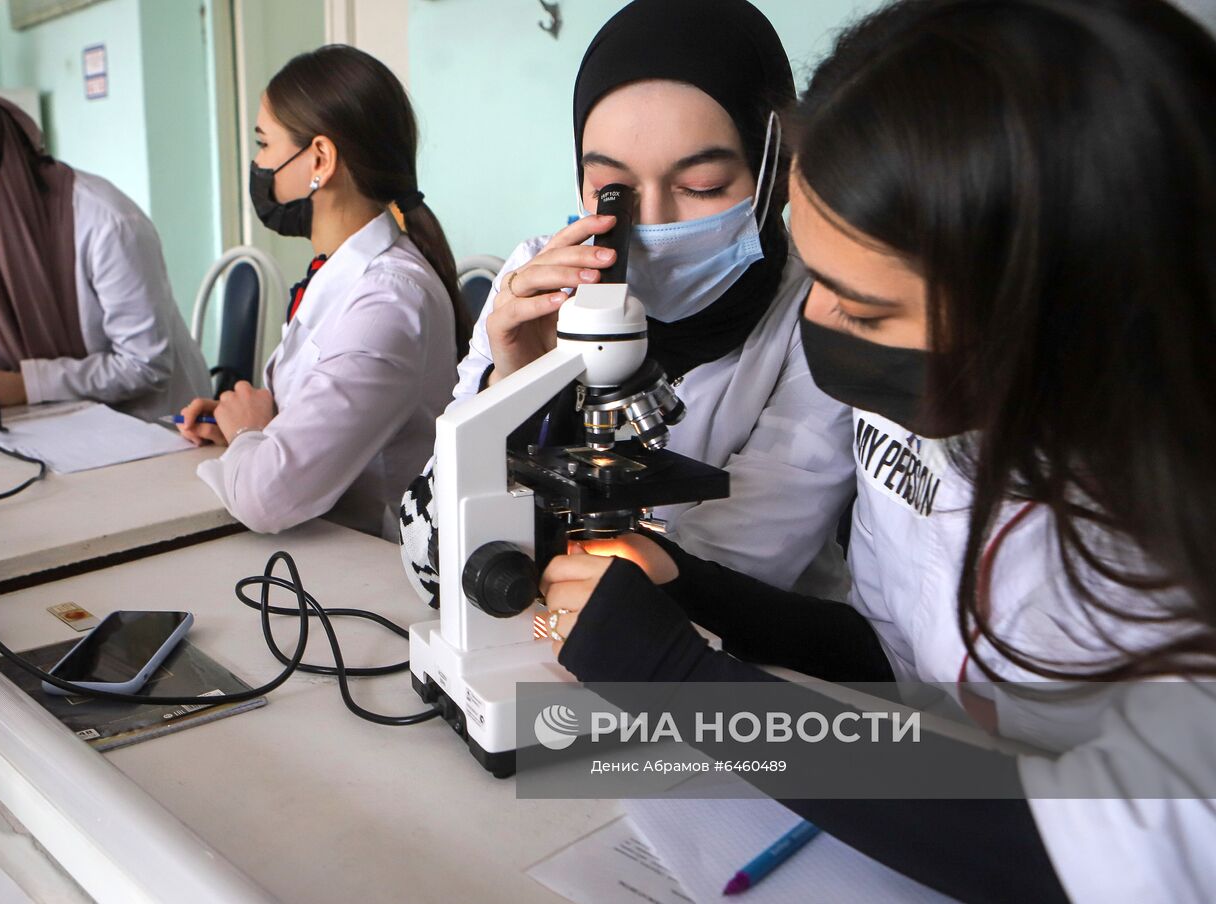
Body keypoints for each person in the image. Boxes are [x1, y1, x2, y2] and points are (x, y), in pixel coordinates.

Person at [539, 0, 1216, 901]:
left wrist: (684, 685)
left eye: (861, 309)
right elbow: (899, 657)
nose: (817, 323)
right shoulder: (921, 409)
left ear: (1054, 305)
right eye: (815, 278)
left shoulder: (1177, 524)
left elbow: (1121, 849)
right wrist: (690, 588)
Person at [398, 0, 857, 606]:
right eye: (612, 190)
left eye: (702, 187)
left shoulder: (820, 312)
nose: (652, 223)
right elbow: (428, 554)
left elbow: (738, 562)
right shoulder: (533, 281)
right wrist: (509, 389)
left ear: (773, 170)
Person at [179, 46, 467, 540]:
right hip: (323, 549)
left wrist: (250, 436)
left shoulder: (389, 303)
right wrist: (246, 425)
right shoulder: (342, 270)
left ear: (320, 159)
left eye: (264, 143)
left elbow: (266, 497)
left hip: (367, 573)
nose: (257, 162)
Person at [0, 74, 210, 420]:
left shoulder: (109, 224)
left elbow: (145, 366)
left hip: (158, 425)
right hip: (63, 422)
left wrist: (27, 385)